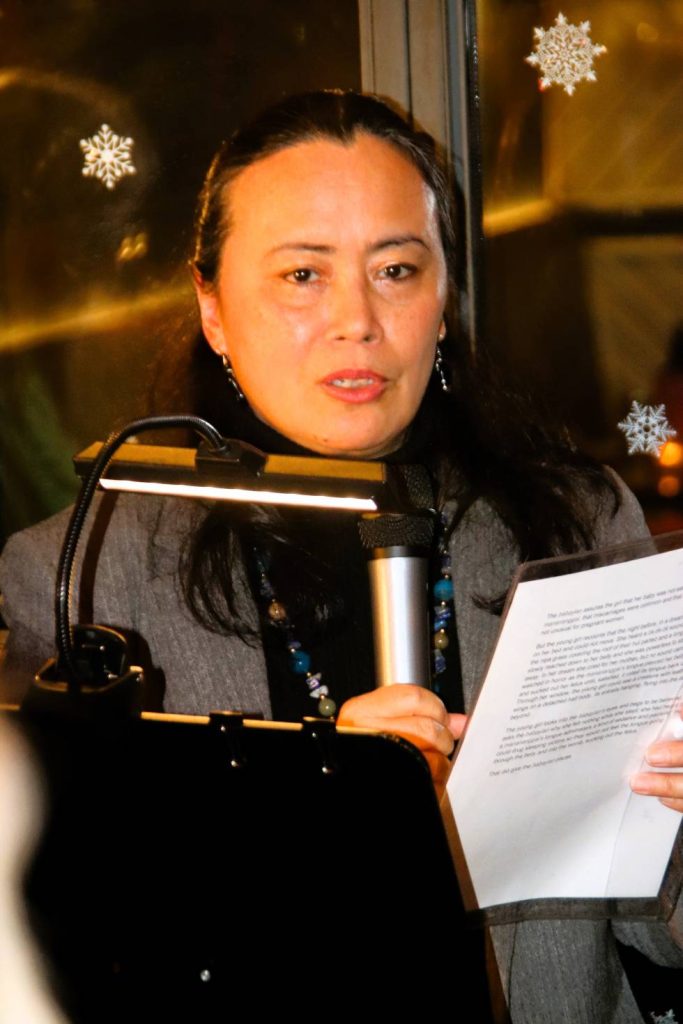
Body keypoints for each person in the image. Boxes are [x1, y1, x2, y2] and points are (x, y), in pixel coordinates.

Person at [1, 90, 682, 1021]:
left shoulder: (572, 519)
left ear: (444, 301)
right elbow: (78, 948)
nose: (356, 319)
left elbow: (656, 928)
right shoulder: (84, 572)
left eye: (396, 269)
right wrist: (328, 819)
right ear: (211, 307)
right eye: (302, 275)